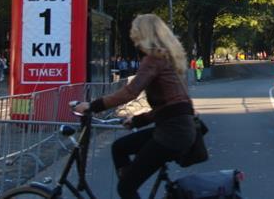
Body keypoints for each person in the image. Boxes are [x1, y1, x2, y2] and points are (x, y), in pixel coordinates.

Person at [74, 14, 196, 199]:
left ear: (143, 35)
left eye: (134, 34)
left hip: (172, 132)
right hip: (179, 127)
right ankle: (130, 182)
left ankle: (129, 186)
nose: (133, 38)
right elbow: (172, 105)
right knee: (120, 148)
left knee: (125, 188)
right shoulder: (169, 59)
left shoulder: (154, 60)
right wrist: (138, 120)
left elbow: (130, 92)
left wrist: (92, 106)